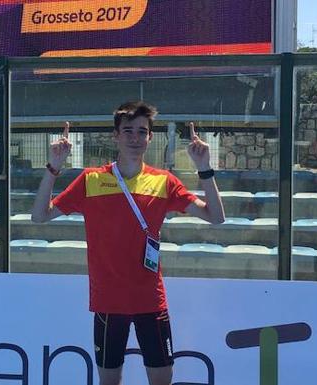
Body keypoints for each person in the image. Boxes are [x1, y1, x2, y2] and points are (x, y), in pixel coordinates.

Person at [31, 101, 225, 385]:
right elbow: (39, 216)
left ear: (150, 137)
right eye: (128, 131)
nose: (135, 138)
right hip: (108, 303)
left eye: (142, 132)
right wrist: (53, 167)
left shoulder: (164, 182)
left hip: (151, 301)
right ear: (116, 135)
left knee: (162, 380)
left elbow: (216, 217)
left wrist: (204, 168)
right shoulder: (91, 179)